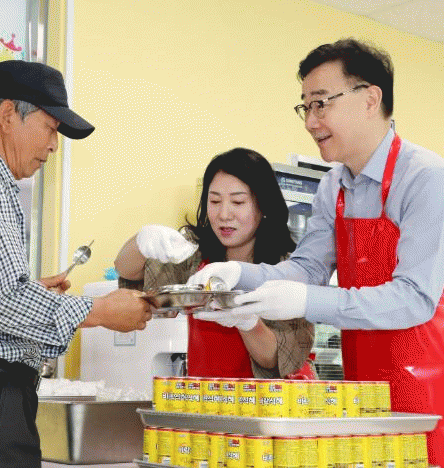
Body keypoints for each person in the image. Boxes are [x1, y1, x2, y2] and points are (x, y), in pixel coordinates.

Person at [188, 39, 444, 468]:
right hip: (370, 377)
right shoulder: (332, 186)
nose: (311, 121)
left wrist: (305, 301)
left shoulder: (427, 178)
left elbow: (414, 298)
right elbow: (308, 269)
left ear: (370, 99)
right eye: (305, 107)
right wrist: (237, 275)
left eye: (321, 104)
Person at [0, 60, 152, 468]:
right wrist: (100, 311)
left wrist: (31, 293)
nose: (54, 145)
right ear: (7, 115)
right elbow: (0, 302)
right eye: (50, 128)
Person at [114, 147, 315, 379]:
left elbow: (274, 358)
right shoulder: (196, 254)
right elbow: (127, 271)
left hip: (268, 396)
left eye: (238, 202)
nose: (224, 214)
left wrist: (247, 322)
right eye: (215, 201)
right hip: (206, 392)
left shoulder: (287, 269)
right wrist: (141, 242)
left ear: (264, 205)